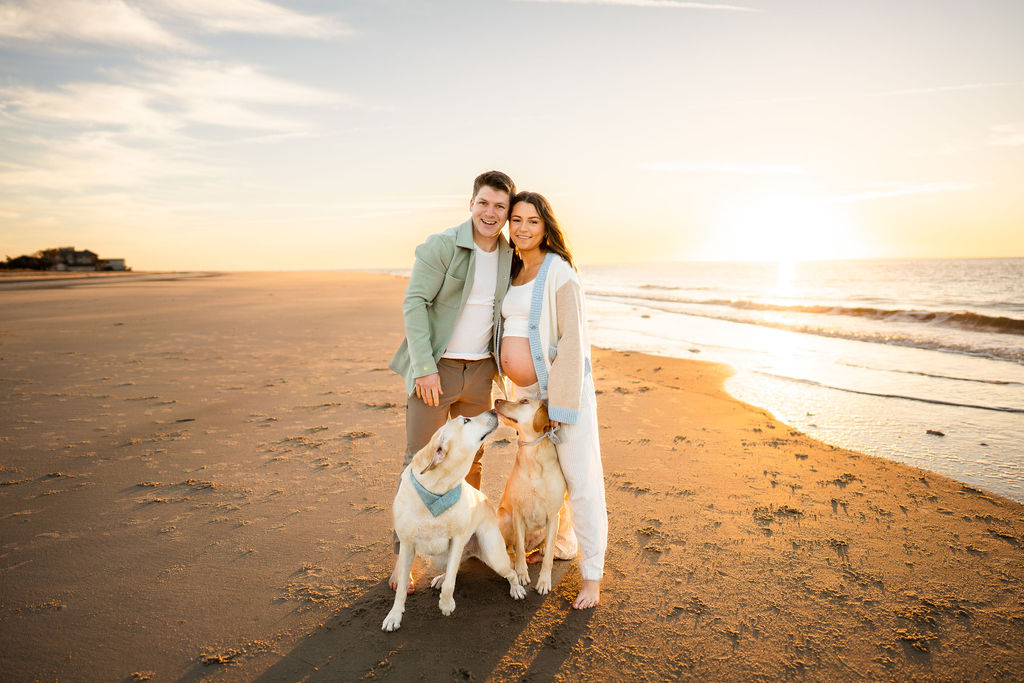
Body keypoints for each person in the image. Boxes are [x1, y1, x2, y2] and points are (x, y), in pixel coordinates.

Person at [388, 170, 515, 592]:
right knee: (418, 460)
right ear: (472, 203)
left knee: (470, 461)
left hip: (481, 372)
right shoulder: (442, 246)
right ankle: (403, 561)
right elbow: (415, 303)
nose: (491, 213)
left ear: (507, 212)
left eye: (500, 206)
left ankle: (456, 547)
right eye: (484, 203)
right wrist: (423, 366)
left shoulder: (509, 255)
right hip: (436, 369)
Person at [499, 191, 607, 609]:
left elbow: (573, 343)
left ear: (546, 226)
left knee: (580, 480)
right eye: (517, 220)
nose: (523, 228)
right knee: (538, 479)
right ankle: (559, 543)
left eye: (532, 221)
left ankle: (592, 576)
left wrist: (557, 408)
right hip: (525, 397)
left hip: (560, 399)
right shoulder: (512, 269)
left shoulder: (560, 272)